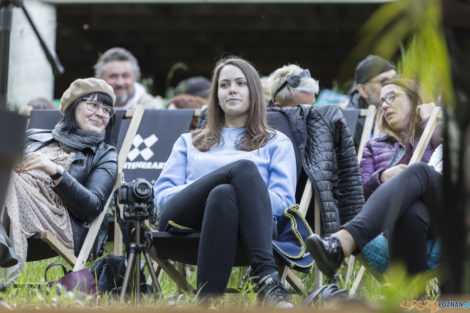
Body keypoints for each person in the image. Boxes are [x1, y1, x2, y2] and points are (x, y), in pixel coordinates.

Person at [153, 57, 297, 306]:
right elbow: (163, 198)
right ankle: (266, 278)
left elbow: (284, 205)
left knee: (224, 194)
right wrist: (208, 184)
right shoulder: (189, 141)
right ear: (216, 95)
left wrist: (234, 191)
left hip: (252, 233)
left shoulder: (276, 142)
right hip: (182, 225)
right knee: (242, 170)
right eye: (225, 84)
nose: (232, 89)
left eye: (240, 83)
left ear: (253, 92)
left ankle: (206, 303)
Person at [306, 78, 441, 277]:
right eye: (381, 102)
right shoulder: (374, 146)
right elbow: (358, 193)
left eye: (391, 97)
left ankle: (343, 241)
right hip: (402, 222)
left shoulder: (440, 124)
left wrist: (430, 120)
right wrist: (383, 177)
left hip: (446, 209)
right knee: (409, 210)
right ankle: (415, 301)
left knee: (419, 171)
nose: (384, 105)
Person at [2, 78, 118, 281]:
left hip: (56, 216)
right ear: (73, 106)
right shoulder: (35, 136)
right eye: (93, 105)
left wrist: (55, 171)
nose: (101, 113)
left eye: (107, 110)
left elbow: (92, 207)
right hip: (13, 201)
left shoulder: (105, 154)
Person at [347, 55, 398, 146]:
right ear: (363, 90)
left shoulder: (407, 109)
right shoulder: (350, 122)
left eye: (395, 80)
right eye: (384, 82)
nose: (392, 87)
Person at [94, 47, 163, 109]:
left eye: (125, 76)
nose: (120, 83)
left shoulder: (151, 108)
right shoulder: (90, 108)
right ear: (100, 79)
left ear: (135, 78)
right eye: (113, 76)